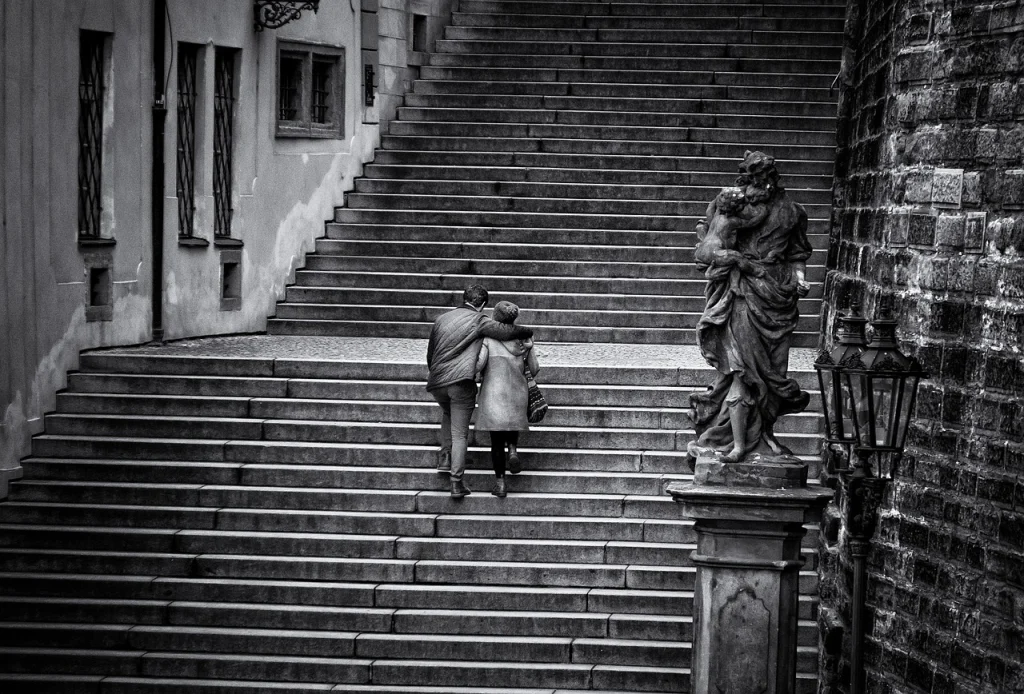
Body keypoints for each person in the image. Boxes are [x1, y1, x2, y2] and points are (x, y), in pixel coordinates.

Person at [689, 151, 812, 464]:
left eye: (761, 177)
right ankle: (739, 443)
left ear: (771, 179)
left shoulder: (792, 212)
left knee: (773, 373)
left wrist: (799, 278)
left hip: (778, 294)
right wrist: (734, 258)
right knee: (744, 367)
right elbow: (707, 250)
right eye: (750, 177)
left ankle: (764, 435)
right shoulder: (732, 205)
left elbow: (797, 254)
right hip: (742, 292)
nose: (755, 183)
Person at [426, 285, 533, 498]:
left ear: (464, 298)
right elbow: (506, 331)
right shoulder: (480, 320)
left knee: (447, 413)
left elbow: (430, 354)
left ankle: (445, 457)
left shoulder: (441, 319)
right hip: (460, 382)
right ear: (483, 305)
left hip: (437, 381)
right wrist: (528, 332)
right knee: (460, 434)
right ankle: (456, 483)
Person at [473, 301, 539, 498]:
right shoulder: (524, 338)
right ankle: (512, 450)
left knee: (495, 441)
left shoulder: (488, 338)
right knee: (511, 423)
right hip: (517, 391)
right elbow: (534, 369)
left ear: (495, 317)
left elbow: (479, 364)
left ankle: (500, 484)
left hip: (494, 392)